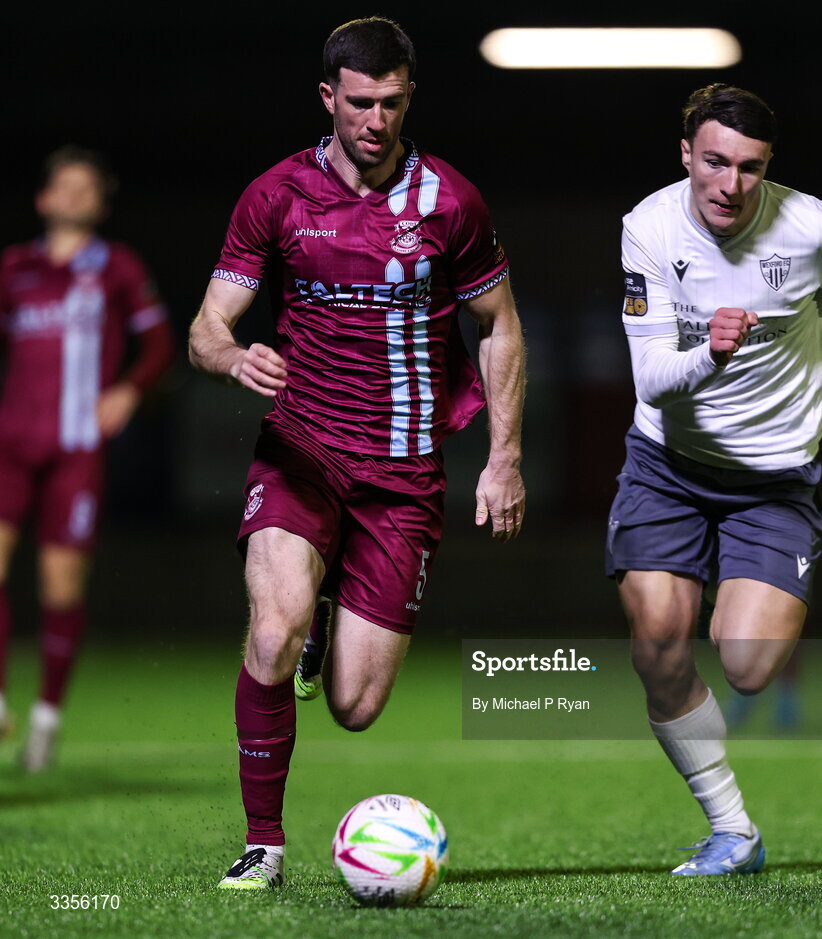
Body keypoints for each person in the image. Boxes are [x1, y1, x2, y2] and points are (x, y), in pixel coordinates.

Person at [188, 17, 526, 891]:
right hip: (298, 451)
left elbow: (499, 325)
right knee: (270, 629)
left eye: (393, 103)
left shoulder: (450, 202)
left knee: (356, 706)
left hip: (404, 474)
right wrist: (231, 356)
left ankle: (326, 610)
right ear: (328, 97)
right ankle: (264, 843)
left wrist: (505, 456)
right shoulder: (277, 195)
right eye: (361, 103)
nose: (377, 121)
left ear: (411, 95)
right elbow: (206, 329)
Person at [605, 83, 822, 875]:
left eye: (749, 167)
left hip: (775, 480)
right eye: (713, 161)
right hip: (667, 470)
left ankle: (760, 583)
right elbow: (649, 379)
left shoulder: (813, 226)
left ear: (767, 167)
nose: (729, 184)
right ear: (687, 155)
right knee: (658, 646)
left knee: (744, 663)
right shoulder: (648, 229)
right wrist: (709, 352)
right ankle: (733, 829)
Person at [0, 146, 174, 770]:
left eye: (86, 188)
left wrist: (128, 390)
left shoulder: (116, 268)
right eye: (62, 186)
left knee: (59, 587)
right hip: (11, 446)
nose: (73, 196)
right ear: (43, 199)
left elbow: (157, 344)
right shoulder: (15, 268)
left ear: (100, 204)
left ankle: (45, 718)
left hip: (76, 452)